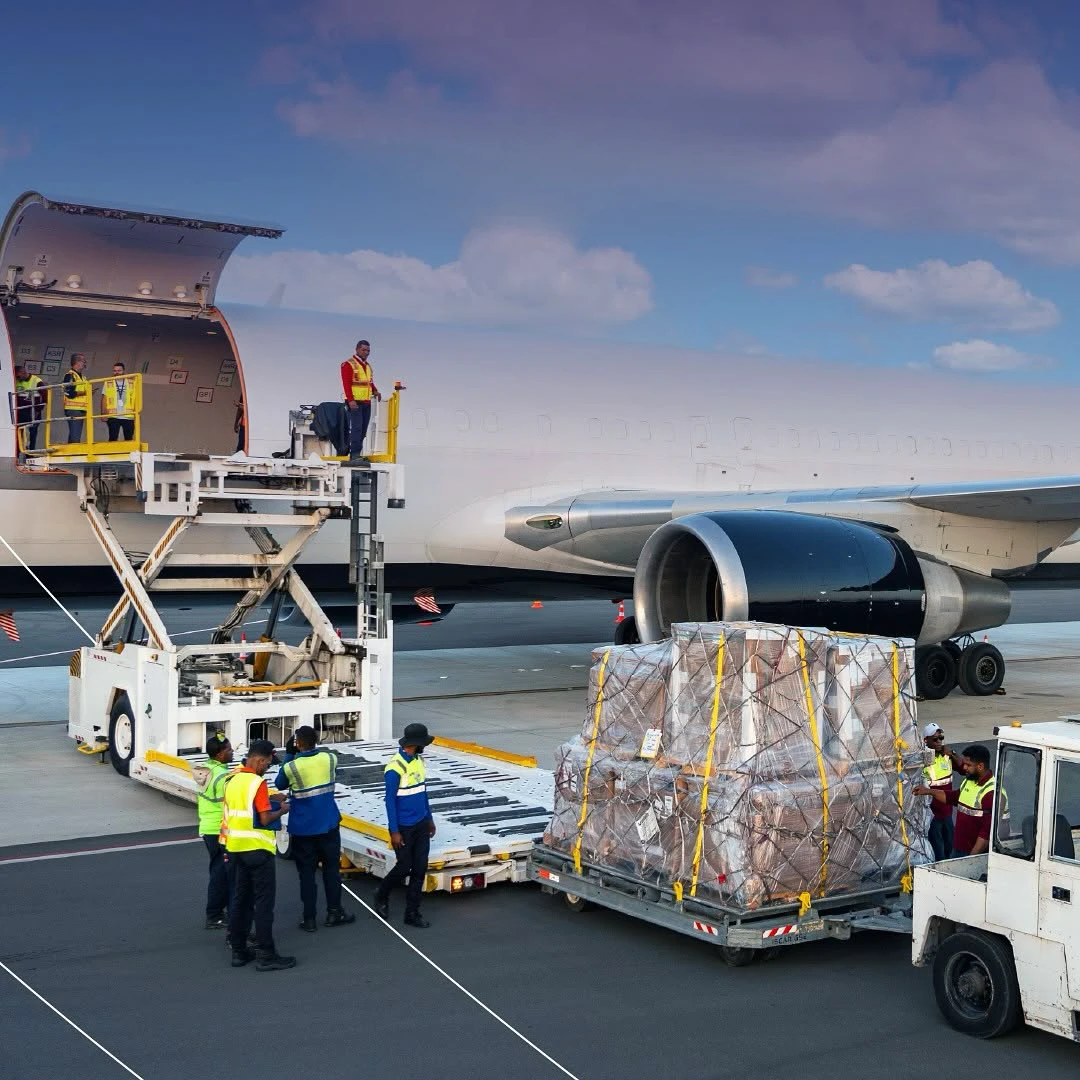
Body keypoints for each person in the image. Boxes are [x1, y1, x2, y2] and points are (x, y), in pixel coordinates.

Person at [220, 738, 295, 971]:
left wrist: (271, 798)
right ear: (259, 760)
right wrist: (282, 809)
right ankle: (266, 954)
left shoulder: (231, 779)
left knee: (240, 901)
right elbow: (264, 818)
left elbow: (244, 805)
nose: (267, 769)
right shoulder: (257, 783)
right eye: (268, 764)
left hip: (234, 848)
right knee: (263, 903)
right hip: (258, 850)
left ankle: (239, 952)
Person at [275, 726, 356, 932]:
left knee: (307, 876)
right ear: (316, 741)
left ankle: (309, 919)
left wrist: (289, 756)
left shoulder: (292, 766)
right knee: (331, 871)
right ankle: (334, 912)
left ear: (297, 743)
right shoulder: (330, 759)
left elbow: (280, 784)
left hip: (303, 828)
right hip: (328, 824)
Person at [374, 722, 436, 928]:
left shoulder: (419, 761)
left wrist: (429, 818)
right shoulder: (394, 768)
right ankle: (381, 895)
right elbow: (389, 801)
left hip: (420, 823)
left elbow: (422, 792)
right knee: (403, 867)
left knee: (419, 869)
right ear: (416, 744)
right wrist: (394, 831)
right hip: (404, 827)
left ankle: (412, 912)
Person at [915, 744, 997, 858]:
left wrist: (971, 859)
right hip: (958, 849)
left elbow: (985, 834)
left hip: (972, 853)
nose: (964, 768)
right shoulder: (969, 781)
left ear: (980, 766)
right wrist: (928, 791)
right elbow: (953, 797)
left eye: (968, 765)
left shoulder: (990, 792)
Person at [196, 734, 233, 929]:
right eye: (228, 750)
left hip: (208, 826)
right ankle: (214, 915)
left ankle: (220, 910)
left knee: (219, 870)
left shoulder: (206, 769)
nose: (232, 752)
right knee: (220, 873)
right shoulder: (222, 778)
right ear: (219, 754)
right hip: (219, 829)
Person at [920, 723, 960, 861]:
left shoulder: (946, 756)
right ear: (926, 740)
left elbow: (962, 768)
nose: (939, 742)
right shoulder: (923, 758)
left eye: (941, 738)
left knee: (950, 848)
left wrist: (952, 753)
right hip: (932, 815)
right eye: (935, 739)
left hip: (947, 813)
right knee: (939, 853)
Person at [340, 340, 380, 459]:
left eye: (368, 351)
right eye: (363, 350)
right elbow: (346, 384)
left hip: (366, 402)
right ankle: (355, 454)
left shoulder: (367, 366)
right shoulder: (348, 364)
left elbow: (369, 382)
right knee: (357, 428)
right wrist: (351, 400)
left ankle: (357, 451)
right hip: (355, 402)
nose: (366, 353)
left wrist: (375, 391)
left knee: (363, 430)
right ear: (357, 349)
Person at [101, 361, 138, 442]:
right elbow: (104, 398)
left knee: (129, 439)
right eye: (115, 370)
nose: (117, 372)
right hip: (113, 415)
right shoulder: (108, 382)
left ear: (124, 371)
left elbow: (135, 398)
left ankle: (129, 454)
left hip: (128, 415)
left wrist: (136, 413)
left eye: (119, 370)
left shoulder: (132, 382)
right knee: (113, 438)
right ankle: (111, 454)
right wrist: (103, 413)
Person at [13, 365, 44, 455]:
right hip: (21, 413)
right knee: (19, 434)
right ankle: (17, 454)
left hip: (34, 413)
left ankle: (30, 455)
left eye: (18, 376)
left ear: (23, 372)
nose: (17, 378)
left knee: (32, 434)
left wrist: (38, 410)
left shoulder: (37, 381)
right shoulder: (17, 381)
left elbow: (45, 398)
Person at [62, 353, 90, 444]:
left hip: (81, 409)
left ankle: (70, 455)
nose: (85, 363)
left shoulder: (83, 377)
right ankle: (74, 455)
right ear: (77, 362)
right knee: (75, 437)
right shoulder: (70, 375)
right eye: (83, 361)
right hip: (74, 409)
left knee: (74, 435)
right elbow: (68, 392)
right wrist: (84, 392)